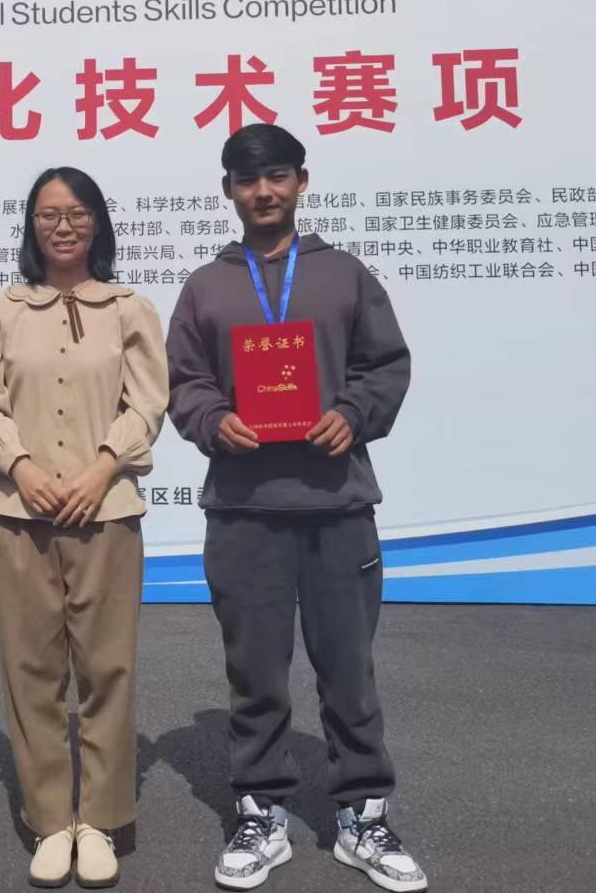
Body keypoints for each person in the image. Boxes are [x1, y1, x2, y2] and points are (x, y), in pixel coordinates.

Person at [165, 124, 427, 893]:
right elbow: (183, 381)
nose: (264, 192)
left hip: (338, 504)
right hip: (243, 509)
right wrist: (213, 420)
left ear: (301, 181)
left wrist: (354, 412)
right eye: (248, 180)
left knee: (349, 672)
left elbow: (386, 365)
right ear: (229, 191)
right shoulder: (206, 287)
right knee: (256, 674)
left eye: (277, 176)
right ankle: (261, 810)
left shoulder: (344, 275)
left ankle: (364, 815)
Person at [0, 167, 169, 890]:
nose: (62, 225)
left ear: (97, 224)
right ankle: (52, 819)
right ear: (31, 225)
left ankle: (100, 820)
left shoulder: (130, 309)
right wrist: (19, 467)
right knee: (31, 670)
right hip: (19, 514)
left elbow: (147, 405)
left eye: (77, 213)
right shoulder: (2, 310)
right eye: (48, 214)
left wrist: (100, 470)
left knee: (107, 670)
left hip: (105, 512)